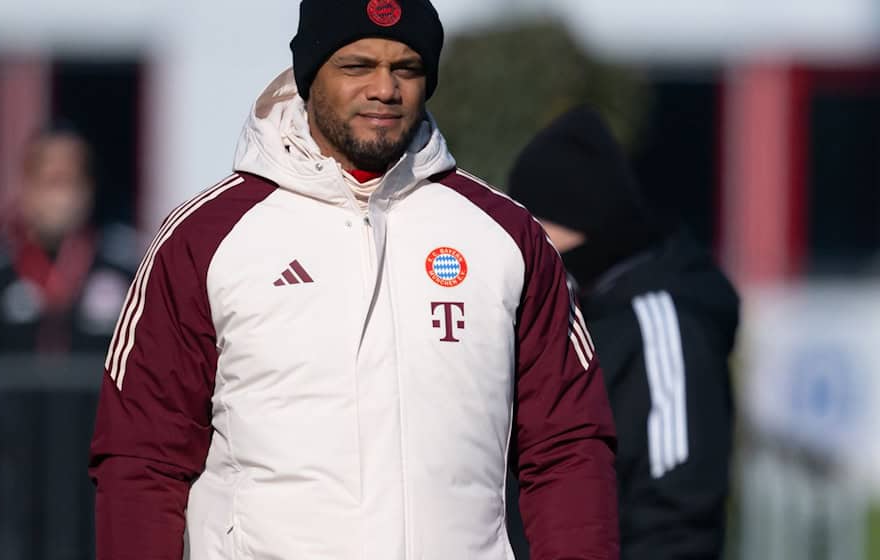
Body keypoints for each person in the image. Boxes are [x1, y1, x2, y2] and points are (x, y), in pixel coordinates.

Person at [89, 1, 619, 559]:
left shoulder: (506, 236)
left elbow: (568, 445)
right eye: (357, 65)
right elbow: (142, 456)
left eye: (406, 69)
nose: (384, 89)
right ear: (310, 73)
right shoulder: (207, 236)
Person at [506, 106, 739, 559]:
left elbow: (677, 510)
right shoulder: (570, 307)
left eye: (541, 229)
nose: (529, 247)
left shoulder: (663, 321)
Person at [0, 122, 137, 560]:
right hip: (17, 469)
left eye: (70, 179)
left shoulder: (125, 266)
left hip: (99, 471)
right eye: (48, 179)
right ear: (26, 185)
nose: (59, 193)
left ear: (88, 186)